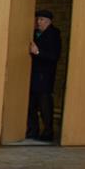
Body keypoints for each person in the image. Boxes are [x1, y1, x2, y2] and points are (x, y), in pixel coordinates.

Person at [26, 9, 62, 142]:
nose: (38, 22)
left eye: (41, 20)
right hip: (33, 75)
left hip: (45, 76)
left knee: (44, 105)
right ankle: (32, 131)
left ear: (48, 22)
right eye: (38, 19)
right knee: (31, 104)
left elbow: (54, 56)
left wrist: (38, 52)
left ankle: (48, 132)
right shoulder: (34, 33)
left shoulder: (54, 35)